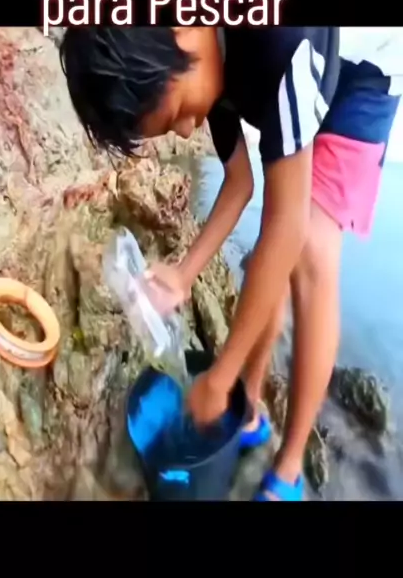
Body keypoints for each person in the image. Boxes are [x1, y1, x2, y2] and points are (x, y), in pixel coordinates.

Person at [60, 26, 403, 501]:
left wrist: (220, 378)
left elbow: (288, 228)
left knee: (309, 254)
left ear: (183, 31)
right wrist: (184, 273)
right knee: (268, 258)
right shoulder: (202, 58)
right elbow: (240, 183)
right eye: (173, 128)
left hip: (363, 76)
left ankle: (289, 468)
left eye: (178, 114)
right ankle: (250, 406)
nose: (188, 130)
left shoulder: (281, 43)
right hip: (297, 74)